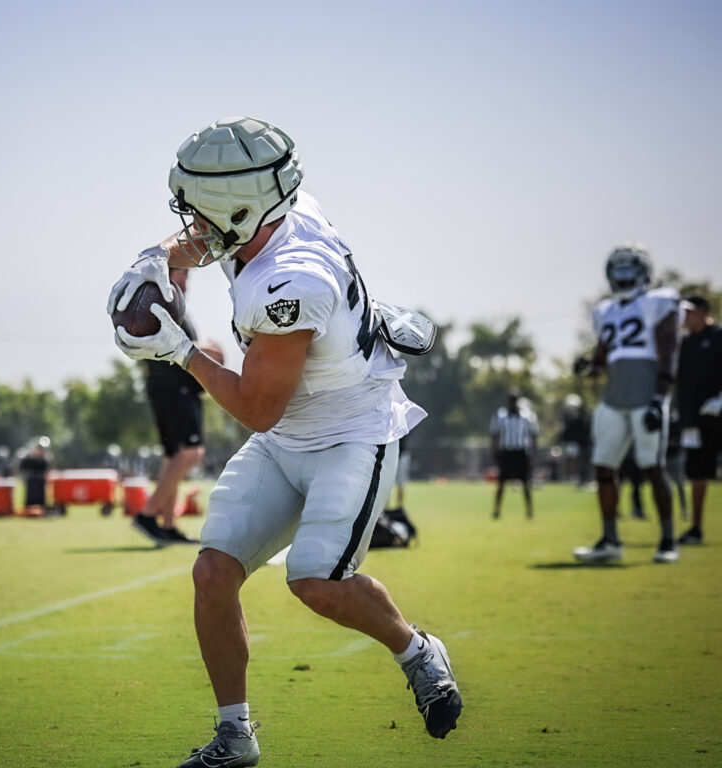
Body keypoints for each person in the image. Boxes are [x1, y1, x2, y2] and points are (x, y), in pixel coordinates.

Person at [109, 116, 462, 767]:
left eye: (199, 209)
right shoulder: (284, 206)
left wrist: (179, 351)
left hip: (350, 432)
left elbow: (257, 408)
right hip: (294, 425)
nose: (190, 223)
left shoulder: (287, 285)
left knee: (317, 582)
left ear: (240, 208)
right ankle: (235, 735)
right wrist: (153, 258)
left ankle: (417, 651)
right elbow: (204, 238)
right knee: (212, 572)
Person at [572, 243, 681, 564]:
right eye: (618, 271)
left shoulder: (658, 303)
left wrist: (659, 399)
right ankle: (610, 540)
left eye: (629, 270)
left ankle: (667, 540)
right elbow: (602, 361)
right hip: (614, 397)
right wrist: (589, 366)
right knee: (603, 468)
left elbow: (670, 353)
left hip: (646, 394)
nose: (623, 277)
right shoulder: (606, 310)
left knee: (653, 468)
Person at [131, 267, 207, 546]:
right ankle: (148, 515)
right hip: (174, 388)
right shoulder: (162, 303)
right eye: (182, 273)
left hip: (172, 388)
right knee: (190, 453)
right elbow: (178, 345)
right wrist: (207, 347)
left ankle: (167, 524)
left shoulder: (171, 306)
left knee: (175, 456)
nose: (186, 279)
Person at [675, 295, 722, 544]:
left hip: (719, 415)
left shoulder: (718, 337)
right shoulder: (684, 343)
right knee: (697, 474)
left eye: (689, 312)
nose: (685, 318)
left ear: (702, 312)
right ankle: (696, 528)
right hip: (695, 422)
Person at [489, 391, 539, 519]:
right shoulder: (501, 416)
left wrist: (533, 454)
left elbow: (533, 435)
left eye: (515, 400)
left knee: (526, 483)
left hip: (520, 452)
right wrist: (495, 453)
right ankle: (497, 509)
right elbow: (494, 434)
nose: (512, 403)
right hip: (507, 452)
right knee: (501, 484)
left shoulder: (527, 416)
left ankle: (529, 510)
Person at [558, 393, 592, 486]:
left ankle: (584, 479)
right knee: (573, 460)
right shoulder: (570, 419)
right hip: (576, 443)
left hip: (584, 443)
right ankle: (574, 477)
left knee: (583, 462)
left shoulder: (584, 419)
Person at [18, 444, 49, 512]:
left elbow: (45, 470)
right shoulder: (28, 459)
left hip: (40, 481)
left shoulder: (43, 460)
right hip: (31, 481)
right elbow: (22, 467)